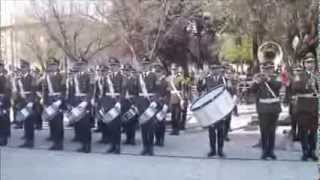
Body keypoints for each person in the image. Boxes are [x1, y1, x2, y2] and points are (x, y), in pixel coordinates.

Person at [251, 61, 282, 160]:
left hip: (274, 108)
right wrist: (256, 82)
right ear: (263, 69)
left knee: (272, 131)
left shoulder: (276, 77)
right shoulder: (259, 78)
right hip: (263, 109)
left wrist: (268, 79)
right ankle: (264, 151)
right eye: (266, 69)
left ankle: (271, 151)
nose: (268, 71)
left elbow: (278, 86)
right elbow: (252, 90)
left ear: (273, 69)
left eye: (270, 69)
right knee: (264, 131)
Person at [197, 64, 227, 158]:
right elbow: (200, 89)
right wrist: (200, 80)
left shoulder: (224, 79)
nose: (214, 71)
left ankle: (220, 150)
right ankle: (212, 150)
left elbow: (228, 91)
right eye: (213, 69)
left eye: (216, 69)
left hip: (220, 108)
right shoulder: (207, 79)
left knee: (221, 130)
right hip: (210, 107)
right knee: (211, 130)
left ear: (219, 70)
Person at [295, 53, 319, 161]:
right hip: (303, 107)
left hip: (314, 107)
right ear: (304, 64)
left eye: (312, 62)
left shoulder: (317, 75)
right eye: (308, 62)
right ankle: (305, 151)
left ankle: (312, 151)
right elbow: (295, 87)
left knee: (314, 131)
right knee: (303, 131)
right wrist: (306, 83)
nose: (311, 64)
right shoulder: (299, 75)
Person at [66, 61, 92, 153]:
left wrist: (85, 102)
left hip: (84, 103)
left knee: (86, 126)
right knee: (79, 125)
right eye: (78, 65)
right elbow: (71, 92)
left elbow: (91, 91)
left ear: (85, 66)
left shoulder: (89, 76)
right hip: (75, 103)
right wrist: (70, 104)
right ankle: (83, 145)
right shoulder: (74, 77)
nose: (80, 67)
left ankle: (88, 146)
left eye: (82, 65)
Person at [135, 57, 158, 155]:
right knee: (143, 126)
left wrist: (155, 101)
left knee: (151, 126)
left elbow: (157, 90)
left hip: (150, 103)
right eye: (143, 64)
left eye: (146, 64)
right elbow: (135, 91)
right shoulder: (139, 76)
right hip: (141, 103)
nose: (144, 66)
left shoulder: (154, 75)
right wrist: (136, 104)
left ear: (149, 65)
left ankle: (151, 148)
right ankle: (145, 147)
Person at [42, 58, 65, 150]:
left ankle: (59, 143)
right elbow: (45, 90)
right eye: (50, 65)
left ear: (57, 66)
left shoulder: (61, 76)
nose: (52, 67)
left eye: (54, 65)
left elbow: (64, 90)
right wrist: (44, 102)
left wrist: (60, 101)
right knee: (52, 122)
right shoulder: (47, 77)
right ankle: (55, 142)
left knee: (58, 123)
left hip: (58, 100)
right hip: (50, 100)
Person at [102, 58, 123, 154]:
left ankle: (117, 146)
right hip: (108, 103)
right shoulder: (107, 77)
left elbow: (123, 91)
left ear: (118, 66)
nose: (112, 67)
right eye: (111, 66)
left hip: (117, 103)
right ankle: (111, 145)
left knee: (117, 126)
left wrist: (119, 102)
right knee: (110, 126)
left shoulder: (122, 77)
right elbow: (103, 92)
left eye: (114, 65)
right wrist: (104, 104)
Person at [17, 59, 37, 148]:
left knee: (29, 122)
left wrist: (31, 102)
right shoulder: (20, 78)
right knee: (25, 121)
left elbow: (33, 91)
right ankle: (27, 139)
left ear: (28, 68)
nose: (22, 69)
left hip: (29, 102)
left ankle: (30, 141)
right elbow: (18, 91)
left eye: (24, 67)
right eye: (21, 67)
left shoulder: (31, 77)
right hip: (22, 102)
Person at [122, 64, 139, 145]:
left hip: (132, 102)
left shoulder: (135, 80)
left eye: (128, 71)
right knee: (125, 121)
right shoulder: (122, 80)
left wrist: (135, 103)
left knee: (132, 121)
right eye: (125, 71)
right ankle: (127, 138)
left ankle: (132, 138)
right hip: (124, 103)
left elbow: (137, 93)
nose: (126, 72)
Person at [154, 63, 170, 146]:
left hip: (162, 105)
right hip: (155, 105)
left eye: (159, 71)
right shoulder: (154, 81)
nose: (157, 73)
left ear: (162, 72)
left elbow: (168, 95)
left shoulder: (166, 82)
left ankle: (161, 140)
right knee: (155, 123)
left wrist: (166, 105)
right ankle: (156, 139)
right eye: (156, 71)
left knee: (161, 124)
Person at [168, 64, 183, 135]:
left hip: (178, 97)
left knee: (177, 114)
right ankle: (173, 129)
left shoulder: (179, 78)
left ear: (176, 70)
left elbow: (182, 89)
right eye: (172, 69)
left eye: (174, 69)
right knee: (172, 115)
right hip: (171, 97)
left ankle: (177, 129)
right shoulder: (169, 78)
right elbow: (167, 88)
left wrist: (182, 99)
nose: (173, 71)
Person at [0, 60, 11, 146]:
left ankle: (3, 139)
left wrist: (2, 101)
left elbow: (8, 91)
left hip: (3, 101)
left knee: (3, 120)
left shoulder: (5, 78)